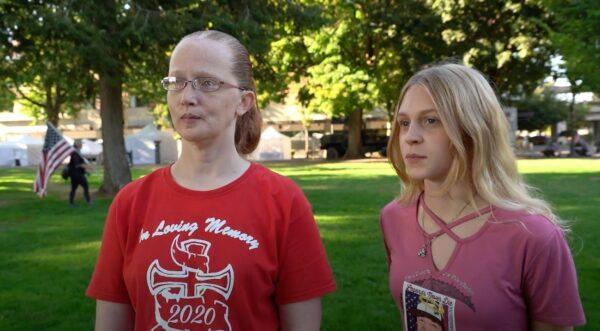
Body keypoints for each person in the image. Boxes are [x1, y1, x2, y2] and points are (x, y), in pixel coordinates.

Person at [86, 30, 336, 331]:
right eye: (176, 82)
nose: (187, 97)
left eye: (207, 83)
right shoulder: (130, 202)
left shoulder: (283, 201)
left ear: (244, 101)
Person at [380, 63, 585, 330]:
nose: (410, 137)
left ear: (472, 128)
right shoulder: (394, 217)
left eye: (431, 120)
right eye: (404, 123)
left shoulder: (533, 236)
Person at [68, 139, 91, 205]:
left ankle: (71, 202)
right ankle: (88, 201)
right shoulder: (75, 153)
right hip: (76, 174)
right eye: (80, 143)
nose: (81, 144)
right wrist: (86, 166)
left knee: (74, 188)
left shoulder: (78, 152)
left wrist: (86, 170)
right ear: (77, 144)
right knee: (85, 186)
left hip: (78, 173)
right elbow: (77, 164)